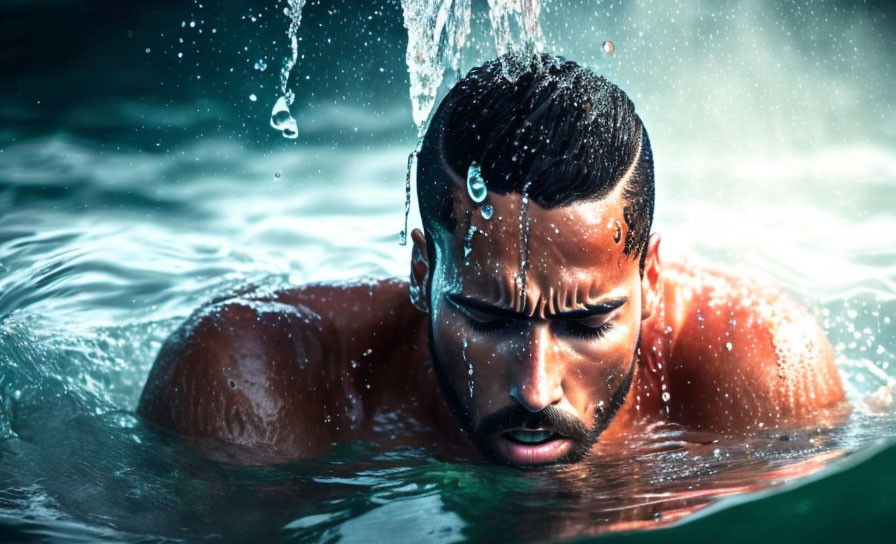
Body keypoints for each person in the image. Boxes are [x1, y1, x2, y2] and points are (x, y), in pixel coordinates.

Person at [138, 53, 846, 467]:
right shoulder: (257, 381)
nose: (535, 390)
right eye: (486, 315)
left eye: (587, 322)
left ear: (650, 279)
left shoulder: (761, 375)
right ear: (422, 275)